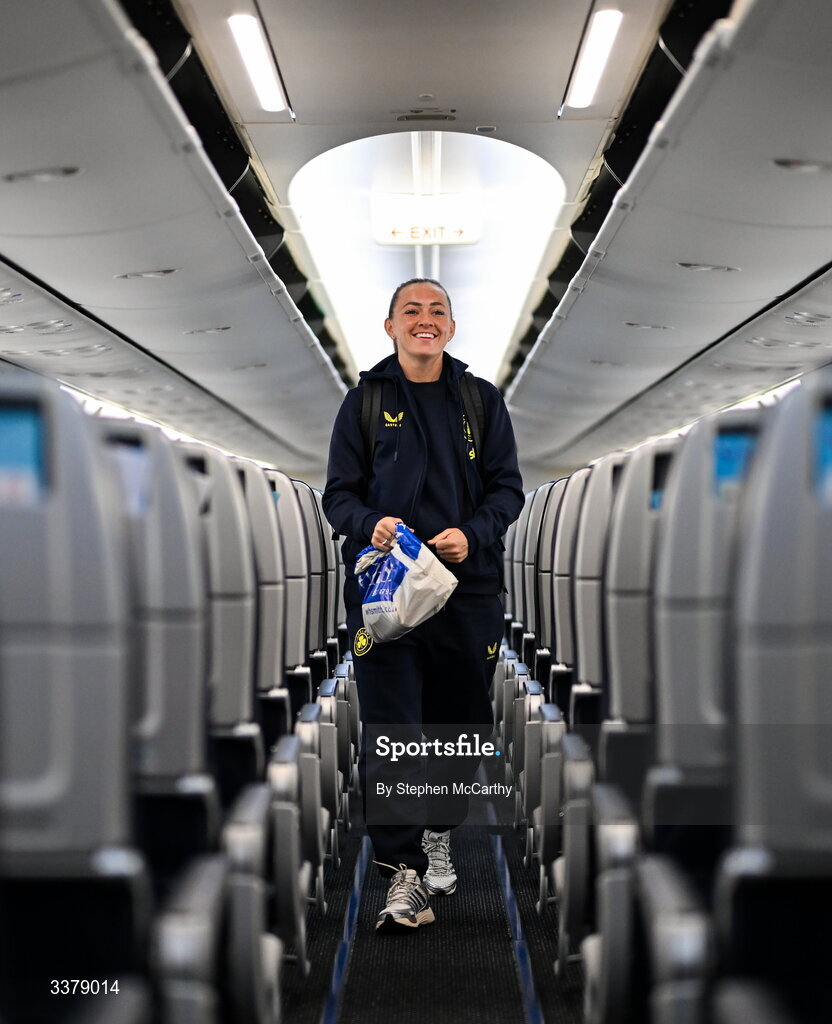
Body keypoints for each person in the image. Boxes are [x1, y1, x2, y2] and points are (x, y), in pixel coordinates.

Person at [322, 278, 524, 932]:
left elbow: (507, 489)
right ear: (390, 327)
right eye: (412, 310)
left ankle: (438, 829)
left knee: (458, 724)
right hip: (387, 594)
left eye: (437, 311)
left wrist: (475, 533)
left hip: (467, 593)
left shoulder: (480, 400)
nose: (425, 320)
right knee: (391, 731)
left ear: (451, 328)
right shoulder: (364, 403)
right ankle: (402, 871)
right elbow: (338, 496)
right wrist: (372, 522)